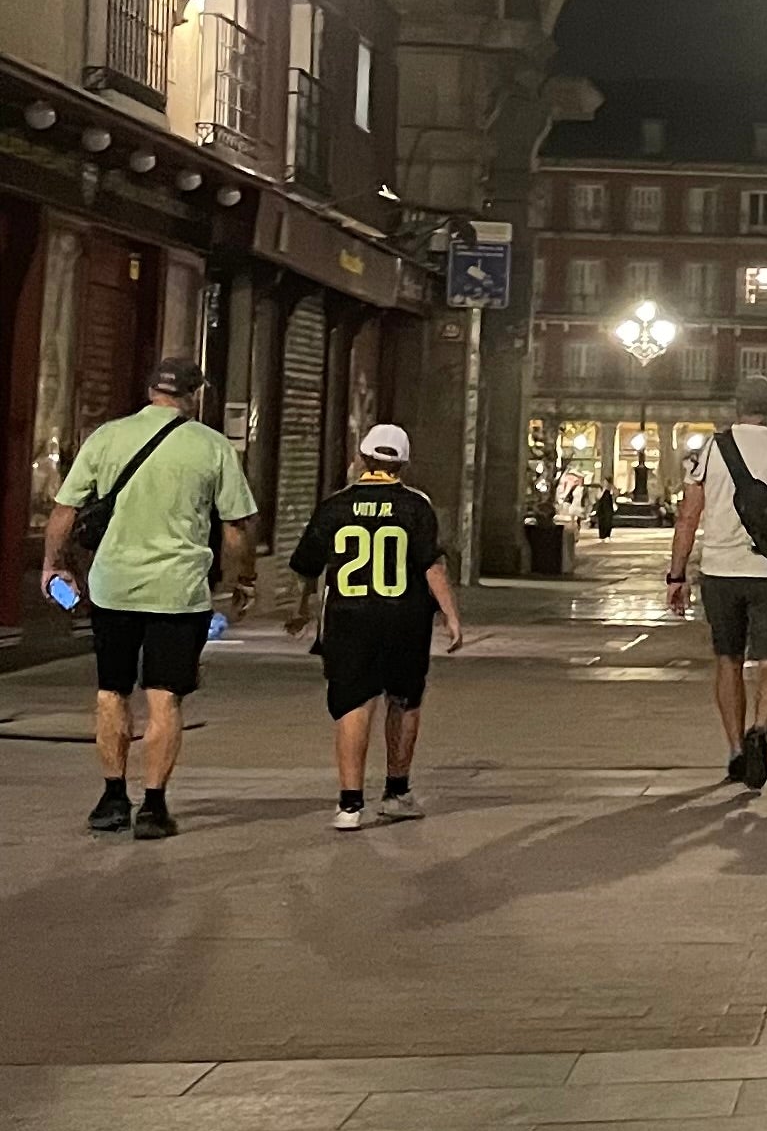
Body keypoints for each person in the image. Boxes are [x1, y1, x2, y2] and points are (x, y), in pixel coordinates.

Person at [37, 356, 258, 841]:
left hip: (114, 589)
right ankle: (154, 808)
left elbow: (64, 511)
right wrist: (242, 580)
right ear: (194, 395)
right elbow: (236, 530)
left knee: (112, 692)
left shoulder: (108, 437)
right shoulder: (212, 446)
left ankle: (113, 798)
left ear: (150, 389)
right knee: (165, 698)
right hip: (178, 593)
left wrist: (53, 565)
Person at [283, 424, 466, 830]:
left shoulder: (334, 506)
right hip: (405, 620)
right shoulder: (416, 506)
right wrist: (451, 615)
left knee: (353, 704)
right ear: (402, 464)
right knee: (404, 700)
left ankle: (349, 806)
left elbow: (306, 567)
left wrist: (300, 609)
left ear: (361, 458)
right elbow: (431, 564)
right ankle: (396, 793)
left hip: (348, 622)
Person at [664, 375, 767, 791]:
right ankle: (760, 729)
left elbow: (688, 518)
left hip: (720, 571)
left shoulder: (712, 451)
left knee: (728, 660)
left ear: (736, 406)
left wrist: (677, 574)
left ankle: (735, 750)